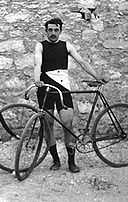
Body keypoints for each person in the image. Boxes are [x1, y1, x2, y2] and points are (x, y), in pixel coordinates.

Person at [34, 18, 104, 173]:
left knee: (67, 123)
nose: (53, 33)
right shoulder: (40, 46)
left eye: (56, 30)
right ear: (46, 31)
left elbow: (82, 62)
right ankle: (56, 160)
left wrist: (97, 76)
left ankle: (71, 162)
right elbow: (37, 64)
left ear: (60, 31)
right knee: (48, 125)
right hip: (44, 88)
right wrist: (36, 79)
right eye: (50, 30)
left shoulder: (66, 46)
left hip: (62, 88)